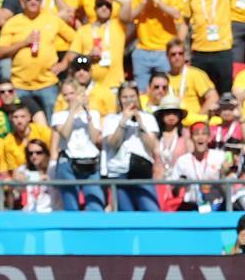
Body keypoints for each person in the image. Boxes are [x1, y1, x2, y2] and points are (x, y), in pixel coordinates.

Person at [0, 0, 76, 118]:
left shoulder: (52, 20)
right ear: (22, 2)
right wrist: (23, 43)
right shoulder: (12, 23)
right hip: (20, 84)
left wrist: (64, 63)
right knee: (20, 123)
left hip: (48, 83)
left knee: (52, 122)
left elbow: (76, 40)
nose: (33, 2)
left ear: (41, 1)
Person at [102, 82, 160, 211]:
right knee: (126, 215)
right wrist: (123, 121)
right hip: (119, 172)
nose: (129, 100)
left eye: (132, 96)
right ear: (119, 99)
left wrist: (140, 124)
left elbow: (151, 145)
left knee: (151, 210)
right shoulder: (110, 119)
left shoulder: (148, 118)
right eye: (125, 97)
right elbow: (113, 143)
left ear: (137, 97)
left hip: (142, 171)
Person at [50, 79, 104, 211]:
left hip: (90, 162)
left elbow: (94, 137)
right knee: (71, 206)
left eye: (71, 93)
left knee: (95, 202)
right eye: (65, 95)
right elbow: (65, 134)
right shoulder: (58, 115)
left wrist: (87, 112)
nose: (69, 97)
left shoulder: (93, 114)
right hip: (68, 161)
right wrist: (72, 112)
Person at [66, 0, 131, 92]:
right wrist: (87, 57)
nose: (104, 8)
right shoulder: (83, 30)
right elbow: (71, 59)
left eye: (108, 5)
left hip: (114, 86)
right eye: (100, 4)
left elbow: (127, 1)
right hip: (90, 87)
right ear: (95, 8)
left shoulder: (118, 26)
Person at [130, 0, 185, 92]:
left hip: (164, 50)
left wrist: (157, 1)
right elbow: (129, 16)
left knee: (166, 89)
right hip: (142, 50)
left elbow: (177, 14)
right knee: (142, 92)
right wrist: (146, 1)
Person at [184, 0, 233, 95]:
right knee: (200, 92)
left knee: (225, 93)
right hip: (199, 51)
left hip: (222, 50)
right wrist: (184, 50)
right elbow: (185, 23)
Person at [173, 122, 232, 211]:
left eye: (204, 134)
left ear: (209, 138)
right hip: (191, 206)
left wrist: (222, 176)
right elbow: (174, 192)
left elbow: (229, 192)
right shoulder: (182, 161)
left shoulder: (220, 157)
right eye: (196, 134)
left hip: (216, 205)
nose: (200, 137)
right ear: (191, 138)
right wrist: (179, 185)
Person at [166, 38, 219, 125]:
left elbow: (213, 97)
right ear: (167, 56)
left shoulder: (196, 74)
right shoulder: (163, 79)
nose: (177, 57)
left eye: (180, 54)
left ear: (185, 56)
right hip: (172, 123)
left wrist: (198, 117)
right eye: (173, 54)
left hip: (194, 123)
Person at [14, 138, 61, 212]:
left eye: (38, 152)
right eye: (30, 153)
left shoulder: (53, 168)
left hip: (51, 211)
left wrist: (50, 181)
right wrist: (17, 181)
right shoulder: (23, 169)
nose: (34, 156)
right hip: (30, 212)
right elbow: (18, 190)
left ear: (45, 153)